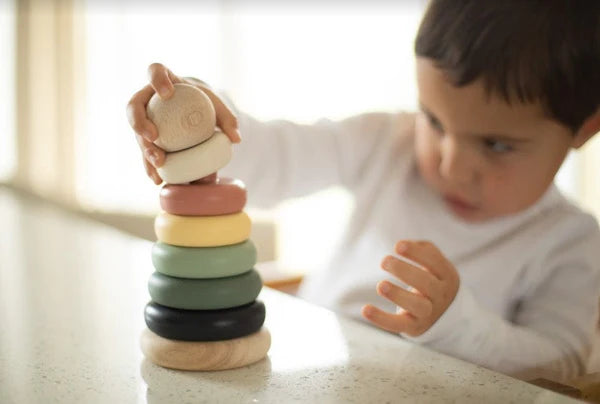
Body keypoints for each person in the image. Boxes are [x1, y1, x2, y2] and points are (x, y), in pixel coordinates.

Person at [126, 0, 600, 383]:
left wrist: (455, 323)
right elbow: (271, 161)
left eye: (496, 145)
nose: (451, 166)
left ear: (584, 129)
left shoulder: (570, 242)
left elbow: (560, 366)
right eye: (434, 121)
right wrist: (198, 118)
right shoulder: (387, 142)